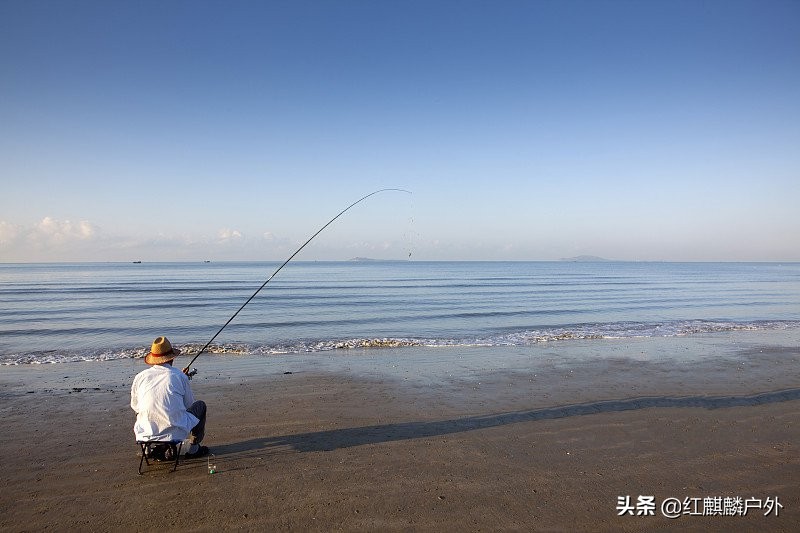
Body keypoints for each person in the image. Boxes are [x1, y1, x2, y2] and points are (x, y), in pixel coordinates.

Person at [131, 336, 209, 459]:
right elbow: (189, 405)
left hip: (144, 433)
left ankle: (147, 449)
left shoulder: (140, 377)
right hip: (174, 433)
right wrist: (183, 380)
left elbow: (135, 406)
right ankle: (194, 449)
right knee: (200, 406)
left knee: (142, 408)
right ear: (172, 358)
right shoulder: (179, 376)